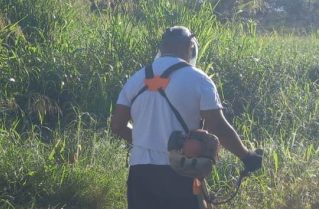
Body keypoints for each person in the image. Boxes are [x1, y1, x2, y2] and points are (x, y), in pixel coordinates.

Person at [110, 26, 262, 209]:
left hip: (140, 174)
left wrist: (146, 141)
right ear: (190, 46)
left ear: (162, 47)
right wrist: (246, 156)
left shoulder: (136, 79)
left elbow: (117, 126)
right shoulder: (199, 79)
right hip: (181, 172)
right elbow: (217, 127)